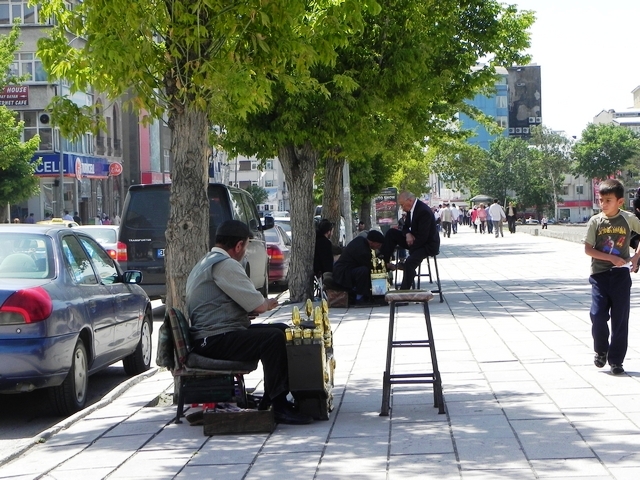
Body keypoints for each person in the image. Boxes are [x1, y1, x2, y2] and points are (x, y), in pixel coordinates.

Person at [186, 220, 313, 424]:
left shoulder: (206, 261)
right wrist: (268, 303)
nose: (245, 252)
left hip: (210, 337)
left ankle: (271, 398)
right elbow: (258, 304)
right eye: (245, 247)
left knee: (280, 330)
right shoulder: (225, 264)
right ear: (238, 246)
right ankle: (279, 404)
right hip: (213, 340)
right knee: (273, 338)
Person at [584, 179, 640, 376]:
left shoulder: (628, 219)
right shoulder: (595, 221)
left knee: (620, 320)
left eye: (608, 200)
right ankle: (601, 350)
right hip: (599, 276)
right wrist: (610, 258)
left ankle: (616, 361)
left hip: (621, 277)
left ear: (620, 202)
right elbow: (588, 249)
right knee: (597, 315)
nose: (603, 204)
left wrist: (636, 257)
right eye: (601, 200)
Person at [380, 191, 440, 290]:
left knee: (410, 263)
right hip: (414, 240)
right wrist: (407, 234)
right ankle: (384, 263)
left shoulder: (423, 211)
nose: (402, 208)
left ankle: (404, 293)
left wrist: (411, 252)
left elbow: (423, 237)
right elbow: (404, 226)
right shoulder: (410, 210)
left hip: (427, 245)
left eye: (402, 204)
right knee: (391, 233)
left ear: (410, 201)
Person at [332, 230, 385, 305]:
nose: (378, 247)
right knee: (364, 271)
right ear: (372, 242)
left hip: (346, 270)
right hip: (343, 273)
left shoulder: (360, 240)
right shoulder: (363, 250)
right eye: (378, 245)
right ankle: (360, 298)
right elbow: (369, 266)